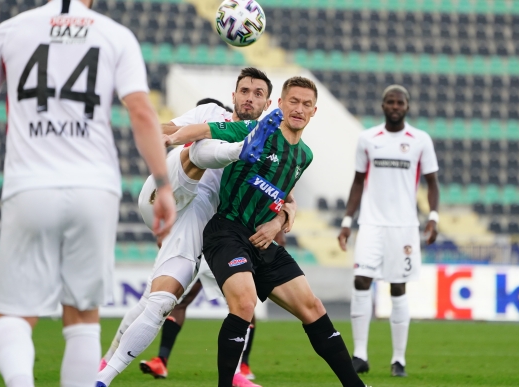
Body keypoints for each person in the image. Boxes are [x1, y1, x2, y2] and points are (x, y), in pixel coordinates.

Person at [0, 0, 177, 386]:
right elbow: (143, 113)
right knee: (82, 315)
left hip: (29, 184)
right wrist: (163, 185)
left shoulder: (11, 30)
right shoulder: (115, 35)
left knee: (12, 313)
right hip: (95, 188)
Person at [164, 77, 368, 387]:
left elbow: (284, 196)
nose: (299, 108)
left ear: (314, 111)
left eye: (306, 104)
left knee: (313, 307)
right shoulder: (255, 130)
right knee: (245, 304)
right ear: (280, 104)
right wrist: (170, 138)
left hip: (263, 239)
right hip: (226, 232)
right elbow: (204, 131)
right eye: (294, 101)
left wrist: (277, 222)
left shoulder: (305, 156)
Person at [98, 68, 294, 387]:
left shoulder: (273, 143)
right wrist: (158, 132)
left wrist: (282, 217)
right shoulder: (210, 112)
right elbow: (173, 128)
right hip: (165, 191)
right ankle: (237, 151)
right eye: (244, 90)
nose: (249, 97)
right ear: (233, 96)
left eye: (258, 93)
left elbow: (286, 195)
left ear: (268, 102)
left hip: (198, 218)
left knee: (160, 300)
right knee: (201, 140)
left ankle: (102, 373)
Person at [338, 85, 440, 377]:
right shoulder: (368, 139)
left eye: (400, 102)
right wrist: (347, 221)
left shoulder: (420, 140)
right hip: (371, 223)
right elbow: (358, 182)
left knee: (398, 287)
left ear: (407, 107)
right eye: (390, 102)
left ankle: (399, 360)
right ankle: (359, 355)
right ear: (382, 106)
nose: (395, 106)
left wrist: (432, 217)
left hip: (405, 227)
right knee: (361, 280)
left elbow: (432, 183)